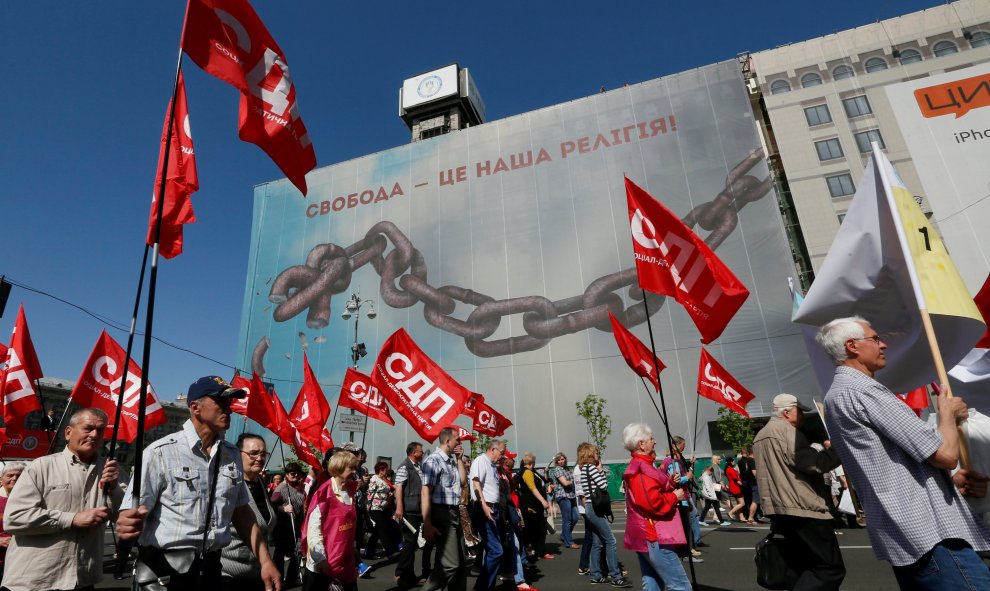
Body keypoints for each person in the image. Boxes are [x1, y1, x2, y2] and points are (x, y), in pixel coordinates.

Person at [818, 316, 990, 588]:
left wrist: (950, 483)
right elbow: (945, 455)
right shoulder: (863, 391)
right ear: (852, 346)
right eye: (875, 339)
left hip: (909, 531)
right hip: (931, 533)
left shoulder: (839, 394)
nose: (883, 344)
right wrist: (947, 413)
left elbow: (888, 466)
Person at [115, 375, 281, 591]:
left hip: (212, 571)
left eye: (229, 403)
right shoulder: (160, 452)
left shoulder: (231, 455)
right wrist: (126, 522)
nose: (229, 409)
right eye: (221, 403)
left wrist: (266, 561)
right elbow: (132, 511)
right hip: (166, 574)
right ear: (195, 408)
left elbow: (242, 514)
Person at [1, 408, 122, 591]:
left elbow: (124, 517)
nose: (95, 435)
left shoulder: (112, 470)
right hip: (34, 580)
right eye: (88, 428)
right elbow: (15, 518)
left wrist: (114, 488)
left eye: (100, 430)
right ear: (68, 432)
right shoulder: (41, 467)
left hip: (83, 580)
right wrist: (72, 519)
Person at [753, 393, 844, 590]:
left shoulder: (760, 436)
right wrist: (838, 450)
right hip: (802, 507)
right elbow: (815, 464)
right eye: (799, 411)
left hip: (779, 509)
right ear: (786, 412)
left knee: (806, 566)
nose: (802, 415)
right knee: (828, 568)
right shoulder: (788, 432)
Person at [622, 423, 690, 591]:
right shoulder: (640, 468)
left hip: (647, 534)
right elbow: (651, 503)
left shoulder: (643, 465)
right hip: (653, 534)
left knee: (653, 584)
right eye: (651, 439)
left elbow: (651, 490)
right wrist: (674, 495)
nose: (655, 441)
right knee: (681, 587)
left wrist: (669, 484)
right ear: (641, 444)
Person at [221, 433, 278, 591]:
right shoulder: (229, 484)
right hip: (230, 576)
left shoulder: (260, 482)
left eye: (263, 453)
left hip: (258, 573)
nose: (260, 458)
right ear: (238, 455)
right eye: (253, 453)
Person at [300, 450, 361, 591]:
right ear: (339, 468)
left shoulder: (350, 491)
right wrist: (320, 559)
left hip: (345, 561)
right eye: (351, 468)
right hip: (324, 564)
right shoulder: (323, 493)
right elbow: (313, 529)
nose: (354, 471)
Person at [576, 442, 631, 588]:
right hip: (596, 509)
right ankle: (616, 576)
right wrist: (601, 471)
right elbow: (603, 486)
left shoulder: (583, 469)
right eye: (595, 452)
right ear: (590, 454)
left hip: (589, 506)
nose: (597, 455)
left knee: (597, 542)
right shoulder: (592, 468)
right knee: (610, 541)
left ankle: (596, 575)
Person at [421, 427, 468, 591]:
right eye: (457, 440)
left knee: (461, 564)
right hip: (441, 513)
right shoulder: (433, 460)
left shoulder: (451, 460)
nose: (459, 443)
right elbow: (426, 492)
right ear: (447, 441)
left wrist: (460, 459)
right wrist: (427, 524)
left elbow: (463, 482)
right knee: (450, 565)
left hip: (454, 512)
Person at [394, 441, 435, 588]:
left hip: (417, 510)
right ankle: (400, 573)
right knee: (410, 543)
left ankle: (409, 577)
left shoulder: (418, 466)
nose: (422, 453)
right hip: (408, 511)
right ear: (413, 453)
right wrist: (399, 507)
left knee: (412, 545)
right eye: (420, 451)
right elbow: (398, 487)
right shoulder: (405, 466)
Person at [468, 439, 505, 591]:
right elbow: (476, 484)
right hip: (485, 509)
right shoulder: (480, 461)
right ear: (492, 449)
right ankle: (482, 586)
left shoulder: (492, 465)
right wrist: (483, 505)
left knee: (494, 550)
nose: (502, 456)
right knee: (497, 551)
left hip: (493, 509)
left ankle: (485, 585)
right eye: (501, 453)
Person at [272, 461, 307, 585]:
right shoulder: (280, 489)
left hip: (297, 526)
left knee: (298, 552)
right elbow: (271, 506)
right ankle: (278, 580)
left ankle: (292, 579)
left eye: (297, 473)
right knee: (280, 554)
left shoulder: (300, 487)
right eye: (292, 473)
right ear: (286, 474)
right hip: (283, 527)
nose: (295, 475)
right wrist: (283, 508)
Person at [517, 452, 553, 561]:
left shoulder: (533, 472)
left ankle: (537, 551)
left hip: (536, 505)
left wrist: (546, 472)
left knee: (539, 528)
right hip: (530, 505)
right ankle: (529, 551)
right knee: (532, 529)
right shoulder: (527, 472)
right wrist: (543, 501)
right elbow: (533, 488)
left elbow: (545, 481)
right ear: (532, 462)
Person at [365, 461, 399, 558]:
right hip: (375, 508)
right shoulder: (374, 479)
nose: (386, 471)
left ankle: (369, 552)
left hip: (382, 508)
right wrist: (368, 509)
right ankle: (390, 550)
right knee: (382, 528)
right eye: (385, 469)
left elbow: (385, 492)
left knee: (377, 531)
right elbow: (370, 494)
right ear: (380, 470)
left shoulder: (382, 480)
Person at [0, 463, 25, 580]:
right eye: (10, 475)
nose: (15, 478)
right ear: (1, 479)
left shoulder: (32, 500)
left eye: (19, 476)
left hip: (21, 559)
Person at [548, 452, 578, 549]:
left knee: (576, 517)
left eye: (562, 459)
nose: (561, 461)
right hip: (563, 496)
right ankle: (569, 542)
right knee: (567, 519)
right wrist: (573, 481)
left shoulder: (566, 469)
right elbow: (565, 483)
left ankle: (564, 535)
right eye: (559, 460)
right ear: (556, 462)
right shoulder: (557, 469)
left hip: (571, 495)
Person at [737, 447, 760, 525]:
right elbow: (754, 473)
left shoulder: (741, 461)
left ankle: (749, 516)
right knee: (755, 500)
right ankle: (751, 518)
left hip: (746, 482)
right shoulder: (751, 460)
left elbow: (740, 472)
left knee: (748, 500)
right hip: (752, 482)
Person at [723, 457, 745, 522]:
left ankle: (741, 518)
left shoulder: (728, 469)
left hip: (733, 487)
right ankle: (730, 513)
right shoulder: (730, 470)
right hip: (736, 487)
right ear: (731, 462)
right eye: (733, 461)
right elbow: (736, 480)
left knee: (739, 503)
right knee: (742, 503)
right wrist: (743, 485)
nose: (734, 462)